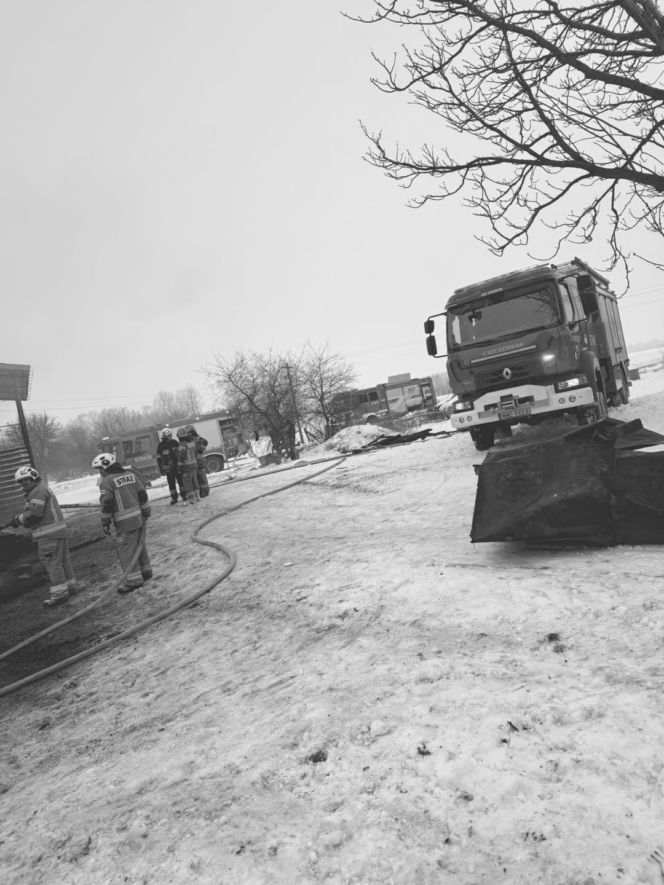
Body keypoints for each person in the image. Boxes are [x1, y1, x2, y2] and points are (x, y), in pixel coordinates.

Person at [8, 465, 78, 607]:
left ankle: (59, 595)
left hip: (48, 535)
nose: (22, 484)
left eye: (24, 480)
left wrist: (18, 520)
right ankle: (71, 587)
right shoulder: (40, 489)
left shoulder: (37, 491)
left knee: (52, 564)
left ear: (33, 477)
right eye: (20, 482)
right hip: (58, 532)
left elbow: (36, 513)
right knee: (63, 561)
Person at [93, 452, 152, 594]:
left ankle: (133, 581)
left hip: (124, 523)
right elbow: (142, 494)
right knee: (139, 546)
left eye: (100, 469)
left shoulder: (107, 481)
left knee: (127, 551)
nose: (100, 472)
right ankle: (146, 571)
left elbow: (107, 503)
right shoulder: (130, 475)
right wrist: (146, 511)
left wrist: (105, 522)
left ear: (106, 467)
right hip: (138, 519)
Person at [156, 429, 186, 505]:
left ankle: (182, 496)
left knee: (179, 482)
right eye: (170, 435)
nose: (171, 436)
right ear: (167, 436)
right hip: (172, 467)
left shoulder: (173, 442)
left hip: (174, 467)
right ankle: (177, 497)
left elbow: (180, 453)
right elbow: (159, 458)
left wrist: (161, 469)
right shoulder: (163, 445)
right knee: (174, 483)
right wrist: (161, 469)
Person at [176, 427, 199, 504]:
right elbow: (196, 453)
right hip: (194, 464)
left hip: (186, 467)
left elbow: (180, 458)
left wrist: (179, 468)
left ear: (179, 436)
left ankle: (192, 499)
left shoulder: (182, 445)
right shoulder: (192, 443)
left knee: (188, 483)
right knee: (194, 480)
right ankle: (197, 496)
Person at [189, 427, 210, 499]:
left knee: (201, 476)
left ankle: (205, 491)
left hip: (200, 460)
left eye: (190, 435)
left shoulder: (198, 439)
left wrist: (201, 451)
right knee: (198, 477)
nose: (189, 437)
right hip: (196, 460)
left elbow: (205, 442)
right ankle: (202, 492)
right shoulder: (193, 440)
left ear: (192, 434)